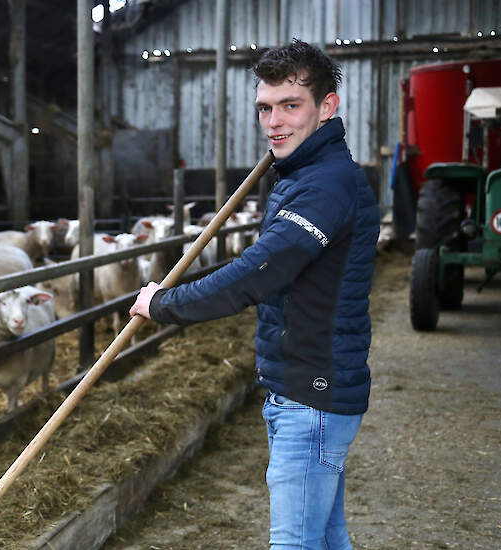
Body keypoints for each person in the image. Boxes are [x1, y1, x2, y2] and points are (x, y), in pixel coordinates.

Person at [130, 39, 378, 550]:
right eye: (265, 108)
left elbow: (256, 273)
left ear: (327, 107)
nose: (274, 122)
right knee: (326, 540)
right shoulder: (304, 174)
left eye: (291, 105)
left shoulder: (327, 184)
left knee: (295, 544)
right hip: (305, 390)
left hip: (313, 393)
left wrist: (163, 304)